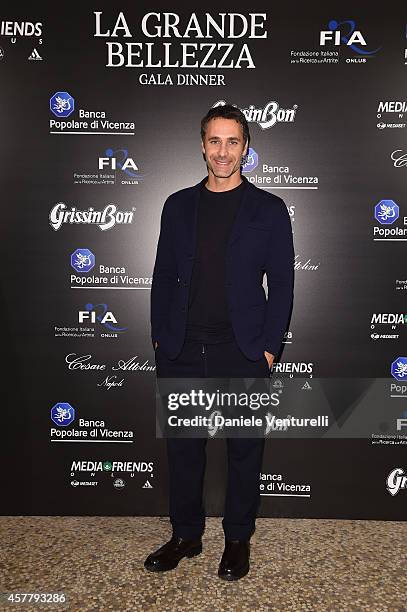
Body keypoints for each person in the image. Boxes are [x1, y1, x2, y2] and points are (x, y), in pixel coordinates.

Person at [145, 104, 294, 580]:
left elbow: (284, 285)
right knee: (184, 449)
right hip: (183, 349)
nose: (223, 151)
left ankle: (237, 539)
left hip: (242, 349)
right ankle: (186, 535)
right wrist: (160, 339)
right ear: (202, 145)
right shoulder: (177, 205)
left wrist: (269, 347)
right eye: (215, 141)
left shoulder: (269, 210)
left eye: (233, 142)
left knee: (244, 449)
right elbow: (163, 277)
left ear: (246, 148)